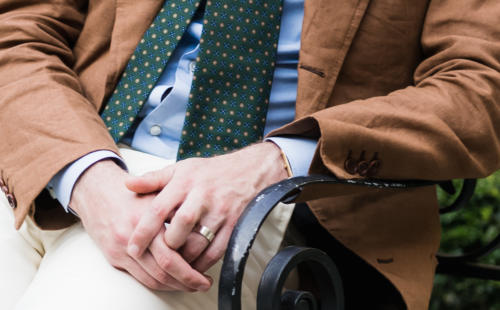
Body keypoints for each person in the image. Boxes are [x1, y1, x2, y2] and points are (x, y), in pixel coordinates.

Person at [0, 0, 499, 309]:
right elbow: (18, 32)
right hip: (58, 161)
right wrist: (85, 175)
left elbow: (482, 89)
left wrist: (274, 160)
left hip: (281, 203)